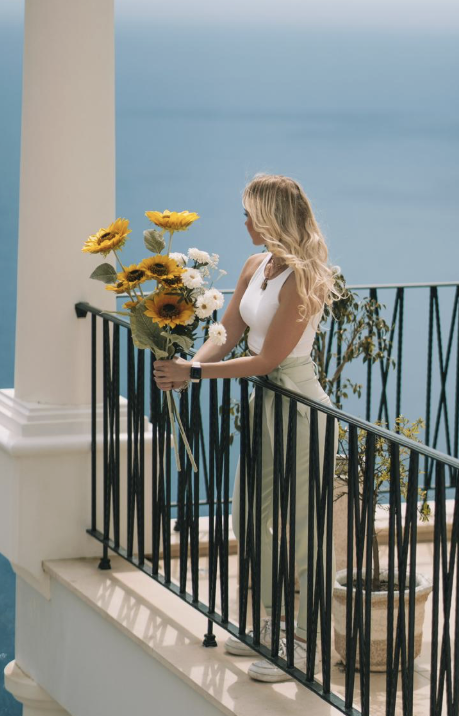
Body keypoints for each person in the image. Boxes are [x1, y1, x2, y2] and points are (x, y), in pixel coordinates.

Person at [153, 173, 341, 682]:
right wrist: (187, 367)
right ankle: (267, 627)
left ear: (270, 217)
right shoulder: (256, 266)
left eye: (249, 212)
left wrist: (193, 373)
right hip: (266, 409)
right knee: (249, 521)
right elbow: (229, 332)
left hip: (300, 409)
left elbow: (267, 359)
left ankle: (302, 647)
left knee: (301, 534)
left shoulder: (303, 277)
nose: (243, 222)